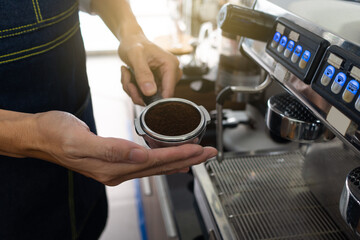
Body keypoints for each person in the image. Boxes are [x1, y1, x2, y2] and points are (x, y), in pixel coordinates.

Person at [0, 0, 217, 239]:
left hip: (75, 124)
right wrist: (32, 134)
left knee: (86, 225)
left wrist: (131, 32)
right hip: (9, 188)